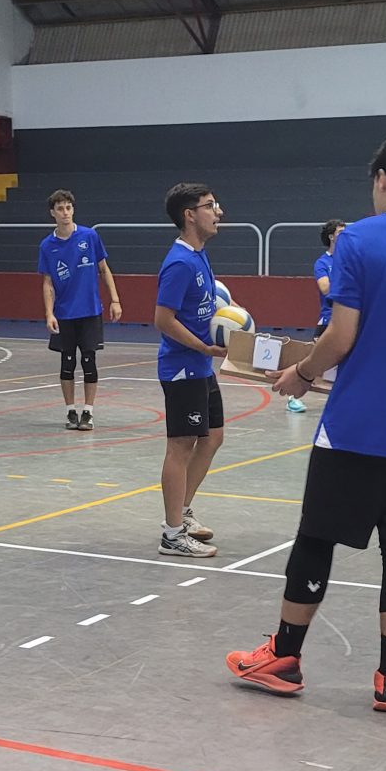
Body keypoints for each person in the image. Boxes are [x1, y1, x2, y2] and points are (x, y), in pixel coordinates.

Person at [226, 129, 386, 712]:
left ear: (381, 178)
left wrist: (302, 374)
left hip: (358, 426)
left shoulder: (358, 240)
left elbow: (340, 335)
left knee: (317, 536)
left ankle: (285, 657)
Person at [154, 183, 229, 557]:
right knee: (181, 447)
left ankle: (182, 511)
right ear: (189, 215)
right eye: (211, 206)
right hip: (183, 368)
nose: (219, 212)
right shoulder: (180, 263)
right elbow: (163, 319)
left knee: (213, 437)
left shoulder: (199, 255)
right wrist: (204, 347)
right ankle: (172, 535)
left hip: (201, 365)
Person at [38, 189, 121, 431]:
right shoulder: (47, 246)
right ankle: (70, 411)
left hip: (90, 311)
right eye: (60, 209)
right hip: (64, 314)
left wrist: (115, 300)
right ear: (52, 213)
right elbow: (47, 283)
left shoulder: (89, 236)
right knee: (67, 363)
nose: (65, 212)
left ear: (73, 210)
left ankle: (88, 412)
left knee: (88, 361)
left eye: (68, 208)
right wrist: (49, 313)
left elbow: (104, 269)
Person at [286, 219, 346, 414]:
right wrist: (346, 278)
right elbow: (325, 288)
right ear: (331, 237)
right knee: (315, 359)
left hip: (348, 318)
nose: (345, 235)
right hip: (329, 319)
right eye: (340, 232)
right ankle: (293, 396)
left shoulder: (349, 260)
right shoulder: (323, 263)